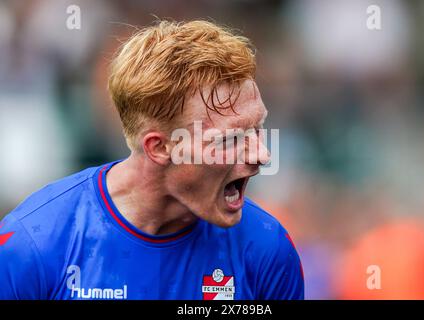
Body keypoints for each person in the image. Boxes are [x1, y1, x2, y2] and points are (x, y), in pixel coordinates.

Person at [0, 20, 304, 300]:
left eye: (258, 128)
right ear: (158, 148)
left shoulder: (267, 250)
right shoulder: (34, 246)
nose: (262, 155)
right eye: (230, 140)